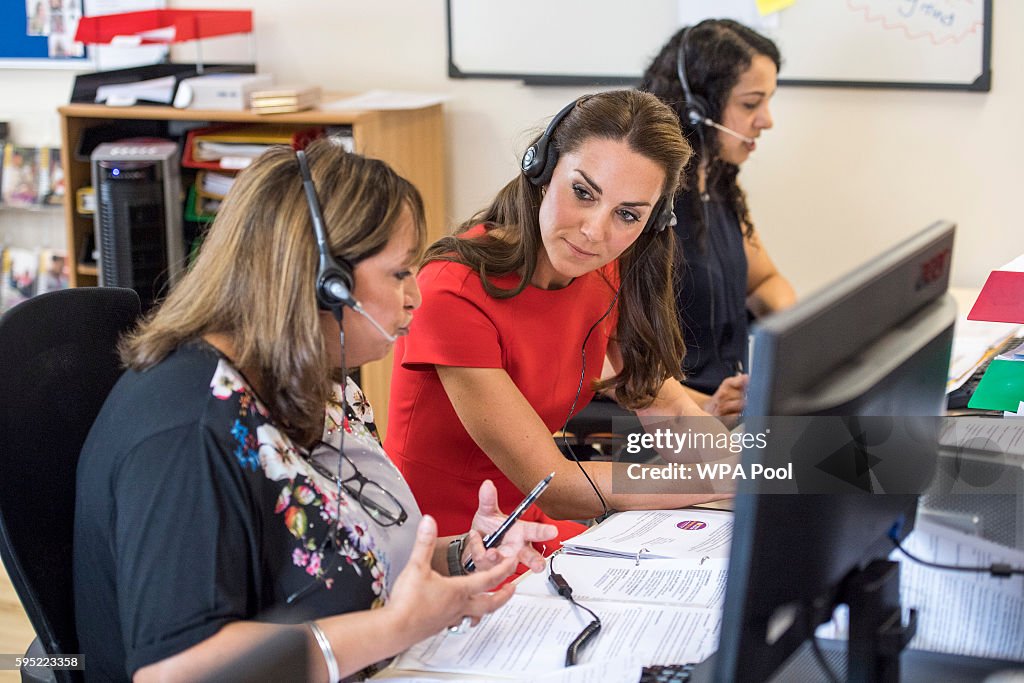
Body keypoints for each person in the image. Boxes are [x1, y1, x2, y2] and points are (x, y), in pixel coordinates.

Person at [72, 139, 556, 682]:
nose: (416, 297)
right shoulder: (188, 431)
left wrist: (460, 558)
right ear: (325, 282)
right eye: (399, 274)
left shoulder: (312, 381)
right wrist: (397, 628)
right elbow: (175, 672)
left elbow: (331, 563)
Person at [386, 90, 732, 547]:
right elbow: (557, 487)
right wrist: (709, 482)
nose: (595, 231)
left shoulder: (604, 269)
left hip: (533, 534)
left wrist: (741, 473)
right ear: (543, 171)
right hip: (449, 549)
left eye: (627, 214)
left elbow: (666, 405)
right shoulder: (452, 290)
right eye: (583, 192)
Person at [640, 19, 796, 418]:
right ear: (698, 109)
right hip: (670, 420)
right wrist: (703, 407)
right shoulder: (643, 199)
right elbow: (615, 362)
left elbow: (764, 281)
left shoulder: (717, 180)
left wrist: (801, 336)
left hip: (731, 403)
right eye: (750, 104)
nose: (767, 120)